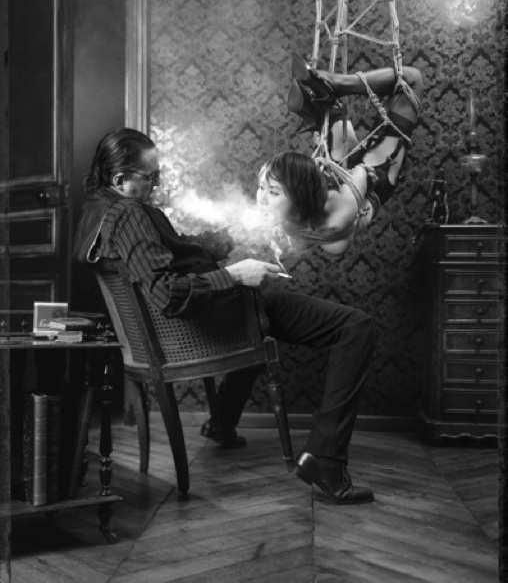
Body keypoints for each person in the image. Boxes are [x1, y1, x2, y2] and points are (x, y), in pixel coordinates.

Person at [73, 127, 375, 505]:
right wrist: (234, 275)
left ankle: (222, 423)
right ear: (120, 179)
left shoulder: (98, 210)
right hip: (200, 326)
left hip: (192, 324)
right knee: (356, 326)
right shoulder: (129, 215)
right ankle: (326, 461)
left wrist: (233, 234)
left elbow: (175, 257)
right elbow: (167, 293)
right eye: (150, 177)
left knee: (258, 319)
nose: (157, 185)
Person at [266, 54, 423, 255]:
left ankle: (324, 97)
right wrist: (320, 168)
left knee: (411, 79)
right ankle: (321, 101)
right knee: (410, 79)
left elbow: (359, 173)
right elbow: (361, 172)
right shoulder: (334, 218)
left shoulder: (301, 221)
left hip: (352, 179)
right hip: (365, 182)